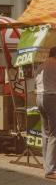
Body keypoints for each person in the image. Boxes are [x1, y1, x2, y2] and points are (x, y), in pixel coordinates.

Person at [35, 46, 56, 180]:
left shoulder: (41, 65)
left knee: (45, 132)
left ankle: (46, 165)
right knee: (54, 133)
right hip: (51, 97)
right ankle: (50, 169)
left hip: (39, 97)